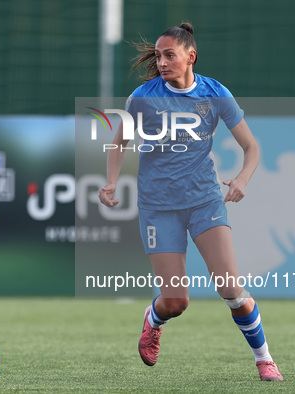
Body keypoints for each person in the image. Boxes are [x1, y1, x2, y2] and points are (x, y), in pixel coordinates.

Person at [98, 23, 283, 382]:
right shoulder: (143, 97)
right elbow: (119, 142)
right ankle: (154, 319)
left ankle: (264, 360)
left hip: (204, 202)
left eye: (170, 55)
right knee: (176, 302)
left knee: (231, 287)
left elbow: (252, 147)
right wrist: (109, 182)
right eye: (158, 55)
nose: (162, 62)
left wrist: (243, 179)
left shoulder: (215, 93)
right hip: (157, 207)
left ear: (190, 56)